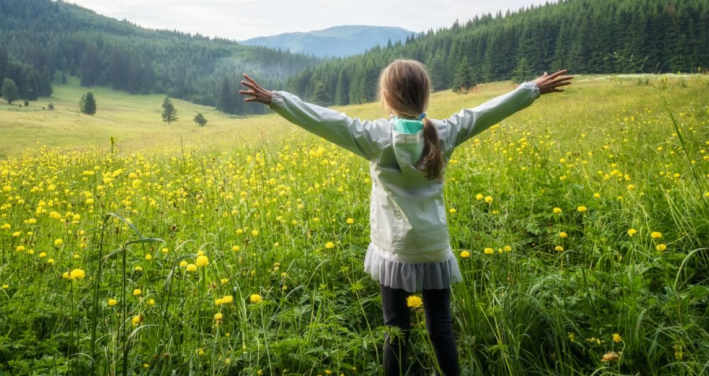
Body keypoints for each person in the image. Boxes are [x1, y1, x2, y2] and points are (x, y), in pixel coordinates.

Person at [239, 61, 572, 375]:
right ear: (425, 95)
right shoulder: (445, 132)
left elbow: (325, 120)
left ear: (386, 97)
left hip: (393, 250)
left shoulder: (374, 136)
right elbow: (486, 112)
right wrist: (533, 88)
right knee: (441, 327)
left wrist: (275, 100)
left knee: (396, 329)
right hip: (434, 246)